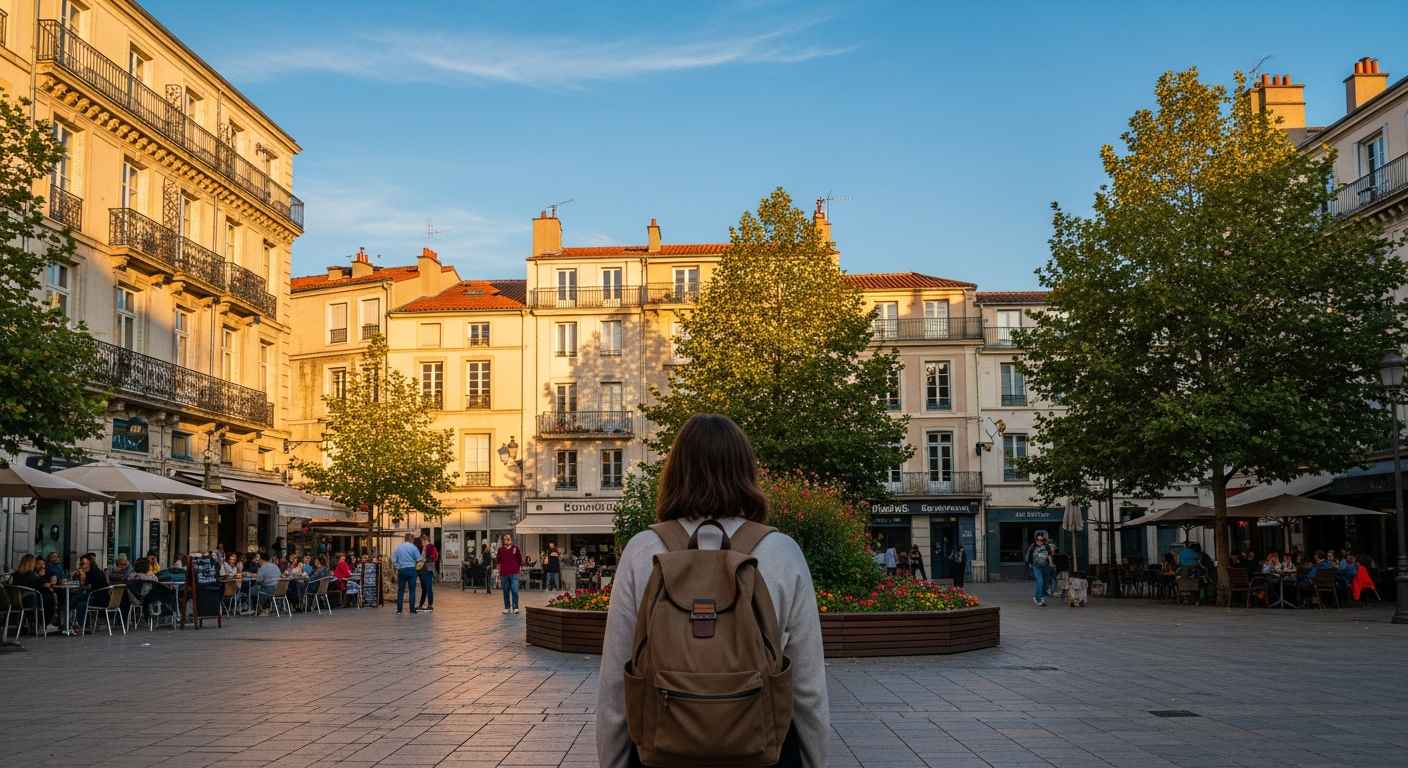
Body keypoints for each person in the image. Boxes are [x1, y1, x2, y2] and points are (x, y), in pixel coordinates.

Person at [596, 413, 826, 768]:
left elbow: (615, 681)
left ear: (675, 473)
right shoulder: (781, 551)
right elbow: (808, 687)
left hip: (660, 751)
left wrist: (613, 760)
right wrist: (814, 760)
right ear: (745, 471)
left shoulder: (644, 550)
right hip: (762, 752)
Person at [10, 554, 59, 632]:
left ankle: (37, 625)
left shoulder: (16, 574)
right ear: (30, 563)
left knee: (46, 595)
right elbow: (43, 584)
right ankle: (44, 625)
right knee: (49, 597)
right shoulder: (30, 574)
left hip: (17, 601)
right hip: (29, 600)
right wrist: (41, 577)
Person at [391, 533, 421, 615]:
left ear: (405, 539)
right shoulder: (414, 547)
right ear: (411, 539)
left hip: (402, 570)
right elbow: (419, 559)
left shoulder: (398, 547)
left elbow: (393, 559)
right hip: (411, 570)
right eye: (413, 539)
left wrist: (397, 566)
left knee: (401, 590)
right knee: (412, 590)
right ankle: (412, 610)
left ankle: (399, 610)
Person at [1024, 530, 1055, 606]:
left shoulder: (1046, 546)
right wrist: (1029, 564)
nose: (1039, 541)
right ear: (1035, 540)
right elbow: (1028, 555)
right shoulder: (1033, 546)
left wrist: (1051, 563)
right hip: (1036, 566)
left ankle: (1039, 596)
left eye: (1041, 540)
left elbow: (1049, 555)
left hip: (1045, 567)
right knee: (1040, 581)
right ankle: (1039, 598)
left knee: (1045, 583)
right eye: (1038, 540)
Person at [495, 533, 523, 615]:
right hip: (504, 573)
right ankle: (507, 607)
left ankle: (515, 607)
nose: (507, 540)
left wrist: (520, 569)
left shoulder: (515, 548)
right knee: (505, 591)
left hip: (514, 573)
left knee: (515, 590)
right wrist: (498, 572)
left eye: (508, 538)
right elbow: (498, 561)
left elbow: (519, 559)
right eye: (505, 539)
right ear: (503, 540)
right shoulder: (501, 550)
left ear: (511, 540)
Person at [417, 536, 438, 612]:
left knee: (428, 588)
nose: (421, 543)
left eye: (422, 541)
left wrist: (424, 560)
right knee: (425, 588)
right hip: (425, 570)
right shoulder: (425, 547)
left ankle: (430, 605)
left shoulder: (430, 546)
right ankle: (421, 604)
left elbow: (432, 557)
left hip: (428, 569)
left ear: (425, 540)